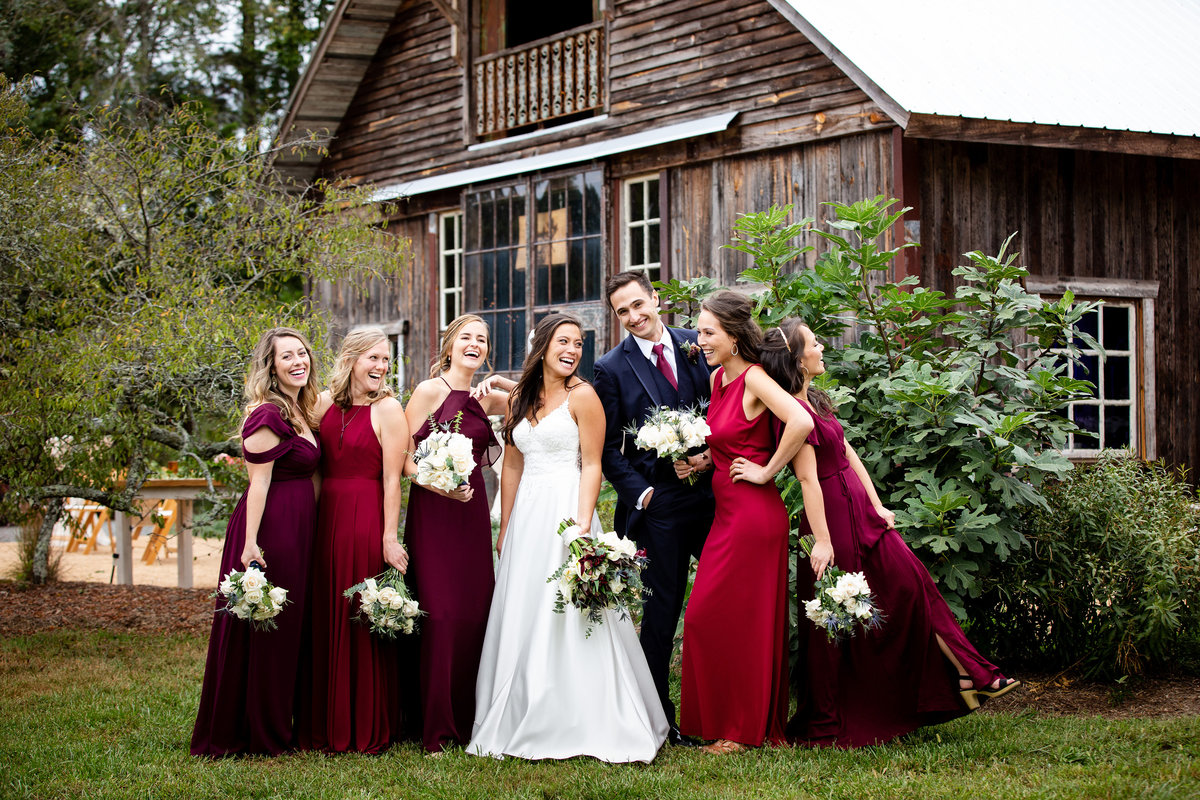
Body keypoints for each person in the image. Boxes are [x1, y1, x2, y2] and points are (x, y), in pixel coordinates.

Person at [759, 319, 1020, 748]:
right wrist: (822, 541)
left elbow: (846, 452)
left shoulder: (817, 401)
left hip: (859, 509)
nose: (823, 346)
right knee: (836, 620)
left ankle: (971, 676)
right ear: (796, 359)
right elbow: (808, 480)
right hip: (830, 521)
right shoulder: (791, 413)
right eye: (814, 343)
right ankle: (832, 716)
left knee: (912, 587)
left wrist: (877, 502)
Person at [468, 314, 669, 763]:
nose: (573, 350)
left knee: (574, 612)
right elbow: (514, 464)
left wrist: (583, 524)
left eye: (579, 344)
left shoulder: (585, 396)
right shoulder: (521, 397)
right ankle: (523, 704)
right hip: (527, 517)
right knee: (525, 607)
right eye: (564, 341)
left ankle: (585, 716)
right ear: (542, 345)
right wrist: (506, 523)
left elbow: (594, 464)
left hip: (567, 510)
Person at [678, 291, 813, 755]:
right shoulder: (717, 380)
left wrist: (767, 470)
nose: (701, 340)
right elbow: (732, 441)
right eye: (700, 331)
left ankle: (742, 729)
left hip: (755, 517)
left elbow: (800, 421)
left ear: (734, 337)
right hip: (727, 514)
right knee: (704, 619)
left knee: (743, 622)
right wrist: (702, 463)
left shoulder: (755, 378)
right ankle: (727, 721)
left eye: (708, 332)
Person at [591, 270, 715, 746]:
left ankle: (725, 703)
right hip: (658, 507)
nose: (634, 317)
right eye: (623, 312)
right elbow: (603, 448)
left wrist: (710, 458)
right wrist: (643, 494)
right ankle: (661, 718)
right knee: (663, 609)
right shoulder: (611, 367)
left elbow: (722, 409)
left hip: (712, 498)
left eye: (639, 305)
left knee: (724, 595)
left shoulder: (695, 343)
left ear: (655, 298)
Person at [191, 327, 322, 756]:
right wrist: (250, 545)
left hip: (300, 526)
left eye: (302, 353)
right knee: (270, 627)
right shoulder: (267, 414)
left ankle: (281, 721)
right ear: (271, 366)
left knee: (289, 627)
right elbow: (259, 484)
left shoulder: (300, 409)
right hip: (271, 529)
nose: (298, 361)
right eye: (287, 356)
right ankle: (258, 732)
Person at [403, 314, 509, 754]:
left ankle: (470, 720)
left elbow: (542, 401)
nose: (475, 344)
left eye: (482, 339)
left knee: (472, 614)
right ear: (449, 345)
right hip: (433, 512)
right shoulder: (430, 392)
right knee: (440, 615)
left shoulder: (492, 400)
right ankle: (434, 725)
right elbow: (401, 455)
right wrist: (432, 481)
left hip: (471, 514)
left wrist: (501, 383)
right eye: (466, 337)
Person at [305, 327, 412, 754]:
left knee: (358, 612)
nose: (381, 367)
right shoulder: (322, 404)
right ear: (350, 358)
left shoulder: (388, 409)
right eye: (374, 358)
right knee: (326, 610)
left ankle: (364, 721)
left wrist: (389, 537)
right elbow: (312, 466)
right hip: (325, 516)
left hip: (365, 516)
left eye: (386, 360)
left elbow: (392, 482)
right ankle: (322, 721)